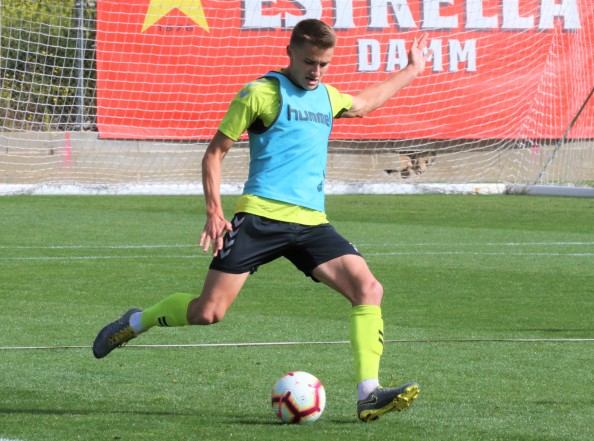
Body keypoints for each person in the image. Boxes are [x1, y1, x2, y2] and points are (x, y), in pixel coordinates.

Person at [93, 18, 432, 422]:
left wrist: (412, 70)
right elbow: (214, 153)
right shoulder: (260, 94)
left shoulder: (326, 96)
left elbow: (363, 104)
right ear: (290, 53)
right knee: (208, 312)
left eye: (323, 64)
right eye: (309, 62)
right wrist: (214, 211)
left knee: (368, 288)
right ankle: (135, 322)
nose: (316, 72)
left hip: (311, 224)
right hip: (259, 218)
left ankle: (368, 393)